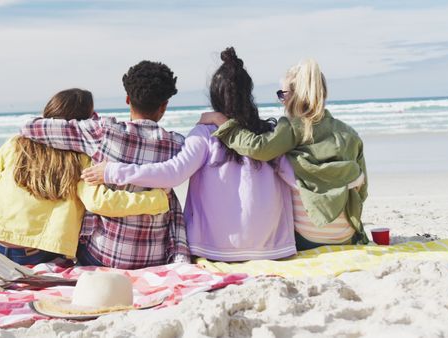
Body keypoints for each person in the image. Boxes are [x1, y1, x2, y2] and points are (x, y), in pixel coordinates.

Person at [81, 47, 297, 261]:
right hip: (272, 246)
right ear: (248, 93)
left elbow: (173, 173)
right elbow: (296, 180)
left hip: (216, 248)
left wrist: (112, 171)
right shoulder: (269, 136)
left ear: (215, 95)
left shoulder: (205, 133)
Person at [19, 62, 191, 269]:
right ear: (164, 105)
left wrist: (90, 120)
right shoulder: (178, 145)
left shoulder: (103, 132)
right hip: (153, 259)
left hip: (102, 257)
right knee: (168, 197)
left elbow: (29, 126)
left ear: (128, 99)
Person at [0, 88, 170, 265]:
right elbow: (99, 203)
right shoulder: (82, 157)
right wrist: (157, 199)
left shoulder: (15, 144)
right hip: (33, 253)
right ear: (85, 122)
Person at [200, 59, 368, 250]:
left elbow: (259, 149)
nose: (281, 99)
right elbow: (362, 191)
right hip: (345, 235)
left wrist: (225, 125)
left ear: (295, 96)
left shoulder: (293, 127)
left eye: (282, 94)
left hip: (307, 237)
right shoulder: (349, 134)